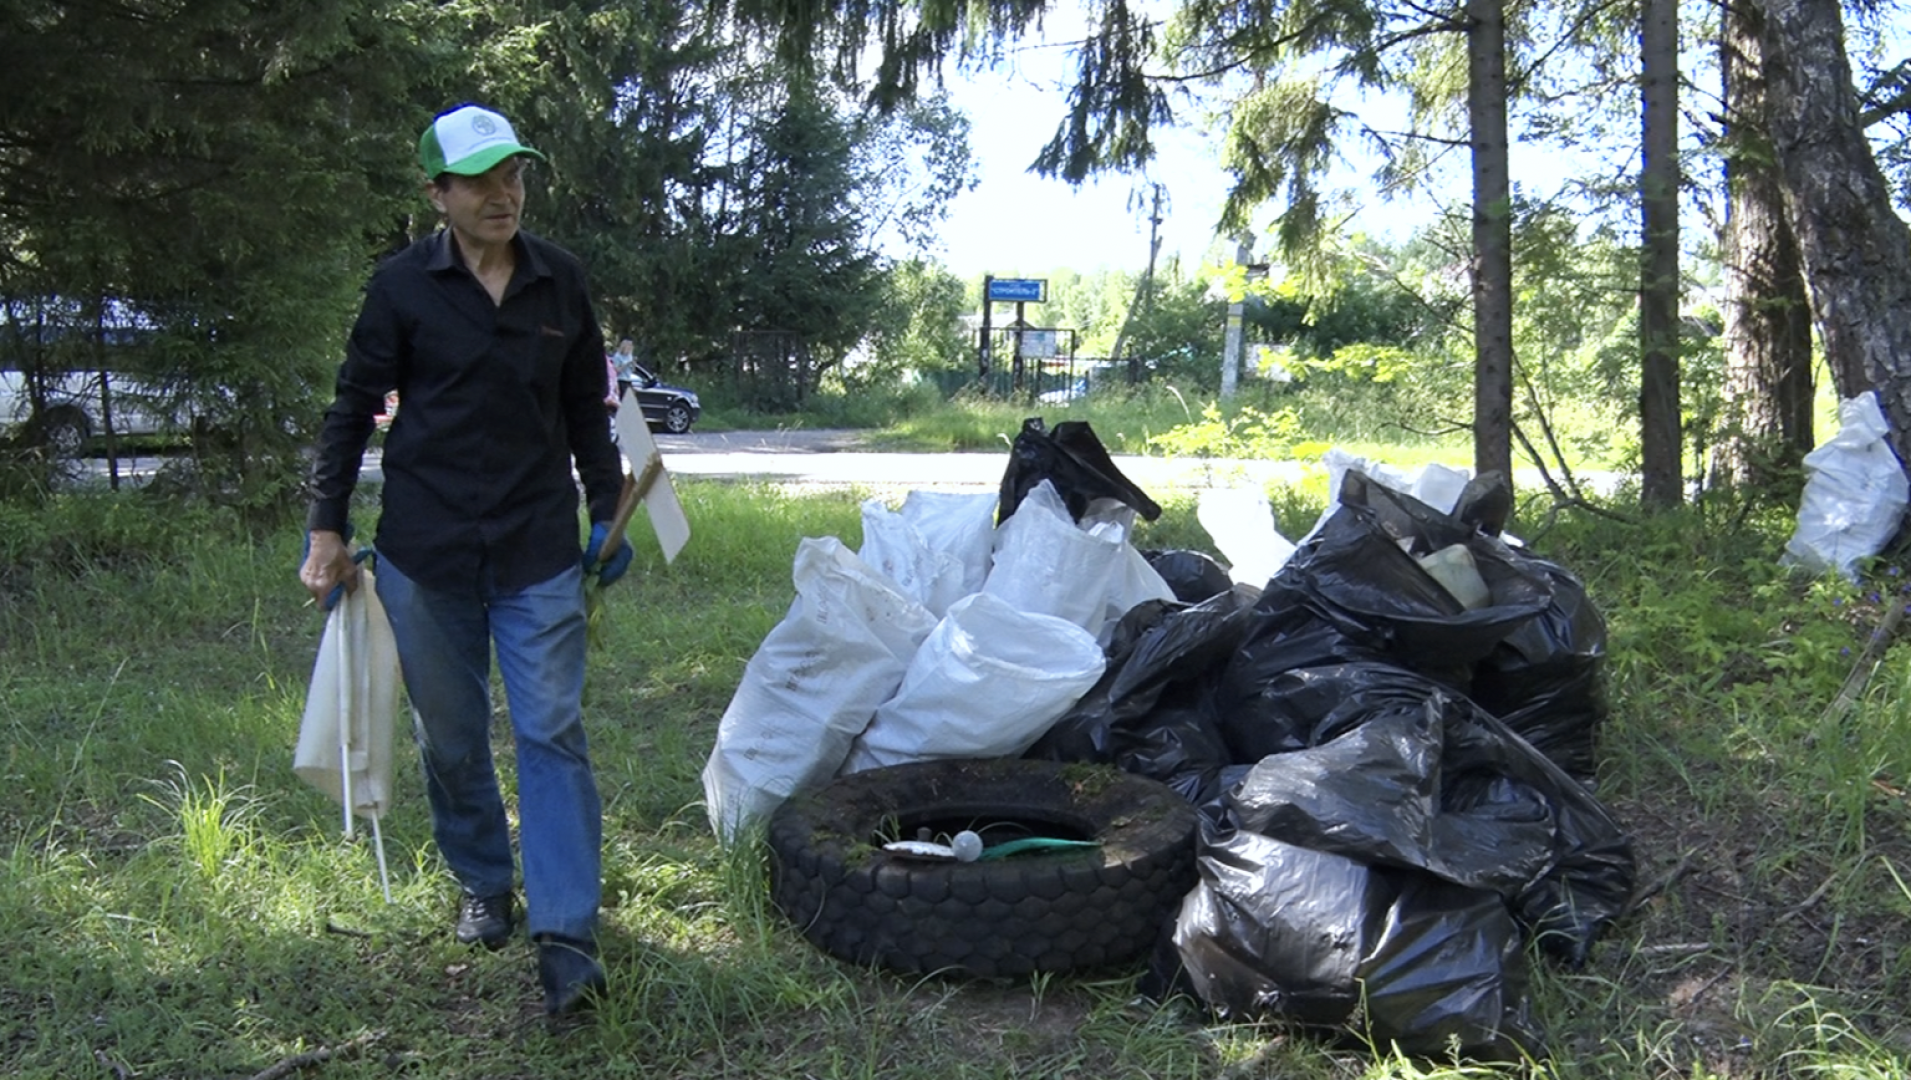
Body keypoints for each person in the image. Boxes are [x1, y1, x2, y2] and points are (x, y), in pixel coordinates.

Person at [298, 102, 633, 1018]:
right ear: (438, 193)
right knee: (450, 739)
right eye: (481, 178)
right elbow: (350, 406)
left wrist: (607, 510)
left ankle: (566, 934)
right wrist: (327, 526)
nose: (504, 193)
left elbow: (585, 414)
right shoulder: (401, 286)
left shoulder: (560, 281)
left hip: (535, 549)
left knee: (551, 730)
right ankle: (485, 880)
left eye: (514, 174)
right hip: (425, 551)